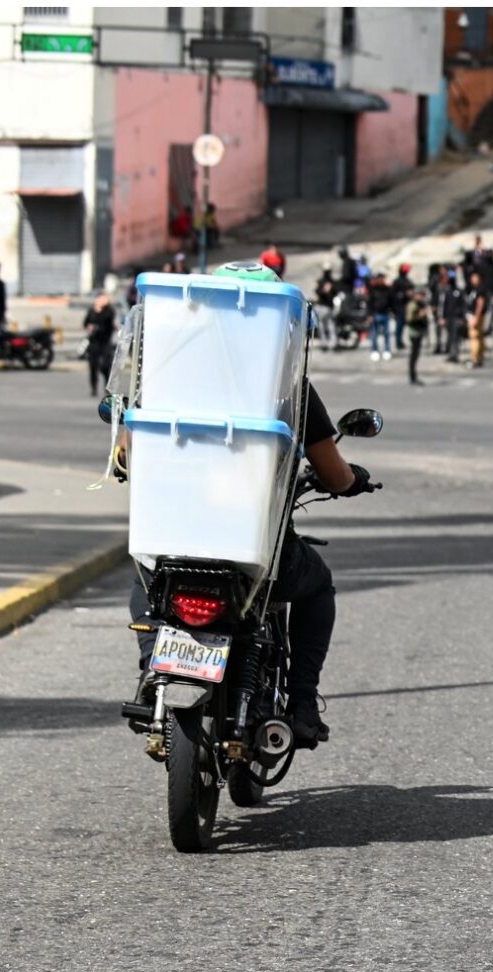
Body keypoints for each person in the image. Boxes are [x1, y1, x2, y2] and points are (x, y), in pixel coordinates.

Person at [120, 268, 372, 749]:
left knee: (145, 575)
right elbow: (335, 475)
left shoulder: (167, 372)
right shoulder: (287, 386)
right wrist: (353, 480)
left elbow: (130, 453)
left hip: (175, 535)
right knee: (317, 587)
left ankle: (155, 666)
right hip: (253, 549)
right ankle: (301, 702)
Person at [82, 291, 117, 397]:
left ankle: (107, 387)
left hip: (105, 341)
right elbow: (85, 323)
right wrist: (89, 327)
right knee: (93, 366)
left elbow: (108, 322)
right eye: (101, 298)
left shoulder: (109, 311)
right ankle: (93, 388)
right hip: (94, 341)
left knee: (106, 365)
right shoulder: (91, 311)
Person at [404, 286, 431, 385]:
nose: (422, 297)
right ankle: (412, 376)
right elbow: (409, 319)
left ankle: (414, 376)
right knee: (413, 355)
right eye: (420, 295)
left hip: (419, 331)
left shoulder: (420, 304)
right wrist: (420, 315)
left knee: (416, 354)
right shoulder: (413, 305)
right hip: (414, 332)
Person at [440, 267, 467, 362]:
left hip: (457, 318)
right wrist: (443, 317)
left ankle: (455, 354)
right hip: (449, 318)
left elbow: (463, 305)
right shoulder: (446, 292)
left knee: (456, 337)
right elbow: (444, 306)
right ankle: (451, 354)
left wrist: (463, 318)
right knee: (450, 337)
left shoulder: (459, 292)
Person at [366, 274, 393, 360]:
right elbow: (369, 303)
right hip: (375, 314)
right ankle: (374, 350)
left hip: (385, 313)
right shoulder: (373, 290)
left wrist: (393, 311)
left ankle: (387, 350)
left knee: (386, 334)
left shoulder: (387, 289)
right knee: (374, 334)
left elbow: (391, 301)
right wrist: (369, 314)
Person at [467, 266, 490, 367]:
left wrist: (476, 317)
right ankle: (479, 357)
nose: (473, 279)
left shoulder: (480, 289)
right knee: (479, 337)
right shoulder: (474, 289)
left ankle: (475, 359)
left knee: (475, 337)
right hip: (476, 316)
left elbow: (480, 303)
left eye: (475, 277)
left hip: (477, 316)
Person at [312, 268, 340, 351]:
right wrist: (324, 290)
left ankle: (332, 343)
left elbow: (335, 293)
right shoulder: (322, 282)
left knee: (329, 325)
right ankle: (326, 343)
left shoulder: (331, 282)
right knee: (324, 326)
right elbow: (317, 292)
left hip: (327, 307)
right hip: (322, 306)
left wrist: (328, 291)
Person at [390, 264, 414, 351]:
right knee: (399, 326)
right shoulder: (397, 282)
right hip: (399, 307)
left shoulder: (407, 281)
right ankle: (398, 342)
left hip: (407, 307)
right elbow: (393, 296)